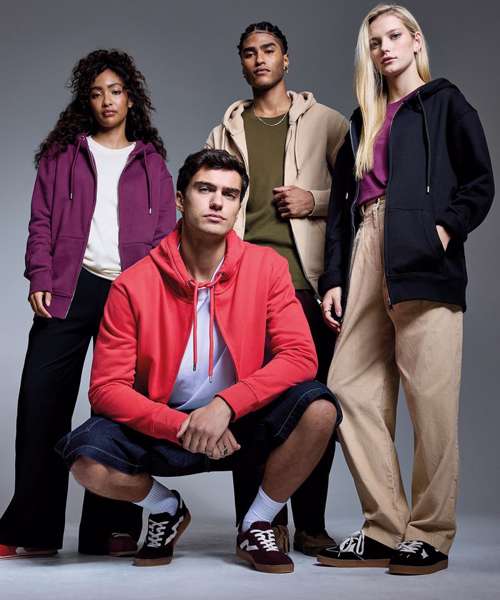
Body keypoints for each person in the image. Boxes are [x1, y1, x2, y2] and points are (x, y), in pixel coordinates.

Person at [56, 149, 341, 573]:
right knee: (86, 462)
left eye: (230, 194)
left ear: (239, 206)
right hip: (166, 425)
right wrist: (181, 425)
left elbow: (300, 356)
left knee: (320, 411)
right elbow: (106, 389)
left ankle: (257, 522)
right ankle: (166, 509)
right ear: (180, 199)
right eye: (205, 189)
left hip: (240, 423)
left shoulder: (267, 267)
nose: (217, 202)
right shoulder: (133, 284)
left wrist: (225, 406)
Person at [316, 4, 494, 575]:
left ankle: (430, 533)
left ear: (416, 41)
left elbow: (480, 181)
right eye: (375, 42)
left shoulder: (445, 102)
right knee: (347, 387)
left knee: (430, 402)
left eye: (394, 36)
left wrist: (443, 229)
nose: (385, 48)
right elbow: (342, 210)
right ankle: (386, 527)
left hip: (421, 252)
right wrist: (335, 277)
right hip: (367, 246)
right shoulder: (362, 119)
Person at [0, 49, 176, 559]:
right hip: (70, 286)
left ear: (131, 98)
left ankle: (112, 527)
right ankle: (32, 527)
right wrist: (40, 274)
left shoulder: (152, 163)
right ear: (87, 100)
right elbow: (40, 220)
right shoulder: (62, 155)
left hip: (131, 292)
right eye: (97, 93)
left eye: (115, 91)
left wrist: (155, 295)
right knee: (41, 403)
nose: (107, 101)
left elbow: (165, 236)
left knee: (120, 408)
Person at [206, 21, 348, 556]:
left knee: (315, 404)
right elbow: (207, 208)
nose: (259, 59)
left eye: (269, 50)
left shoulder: (328, 123)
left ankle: (310, 523)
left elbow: (359, 199)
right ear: (242, 64)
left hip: (308, 289)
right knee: (247, 406)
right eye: (249, 53)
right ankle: (260, 521)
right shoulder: (223, 133)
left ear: (286, 59)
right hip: (243, 290)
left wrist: (314, 200)